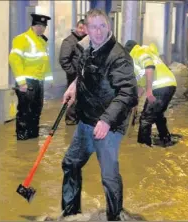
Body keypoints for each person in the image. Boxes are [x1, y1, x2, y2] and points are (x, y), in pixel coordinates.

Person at [61, 9, 138, 221]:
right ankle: (69, 214)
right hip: (86, 122)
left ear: (109, 27)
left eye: (102, 26)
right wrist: (74, 88)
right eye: (93, 26)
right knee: (70, 163)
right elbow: (84, 74)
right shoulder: (88, 49)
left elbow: (128, 93)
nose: (98, 31)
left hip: (109, 125)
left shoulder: (118, 56)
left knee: (108, 175)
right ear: (85, 28)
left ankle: (115, 216)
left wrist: (106, 119)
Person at [124, 40, 177, 148]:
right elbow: (142, 82)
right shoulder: (149, 53)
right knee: (157, 114)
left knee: (145, 119)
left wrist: (148, 90)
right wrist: (135, 99)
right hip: (170, 84)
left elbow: (149, 67)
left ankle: (143, 147)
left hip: (160, 86)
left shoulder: (138, 53)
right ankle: (166, 140)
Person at [9, 13, 52, 140]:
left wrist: (48, 81)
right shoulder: (22, 39)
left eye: (43, 26)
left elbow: (45, 62)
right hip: (27, 82)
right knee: (24, 111)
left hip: (39, 82)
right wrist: (22, 82)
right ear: (33, 25)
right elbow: (14, 60)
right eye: (39, 25)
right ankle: (22, 139)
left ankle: (33, 138)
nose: (41, 28)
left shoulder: (42, 41)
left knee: (36, 111)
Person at [59, 19, 87, 125]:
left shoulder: (86, 40)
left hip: (84, 76)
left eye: (84, 29)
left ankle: (79, 120)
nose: (82, 31)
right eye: (80, 28)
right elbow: (63, 59)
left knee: (81, 99)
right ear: (76, 27)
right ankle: (70, 122)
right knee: (72, 100)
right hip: (74, 76)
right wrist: (72, 73)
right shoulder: (69, 41)